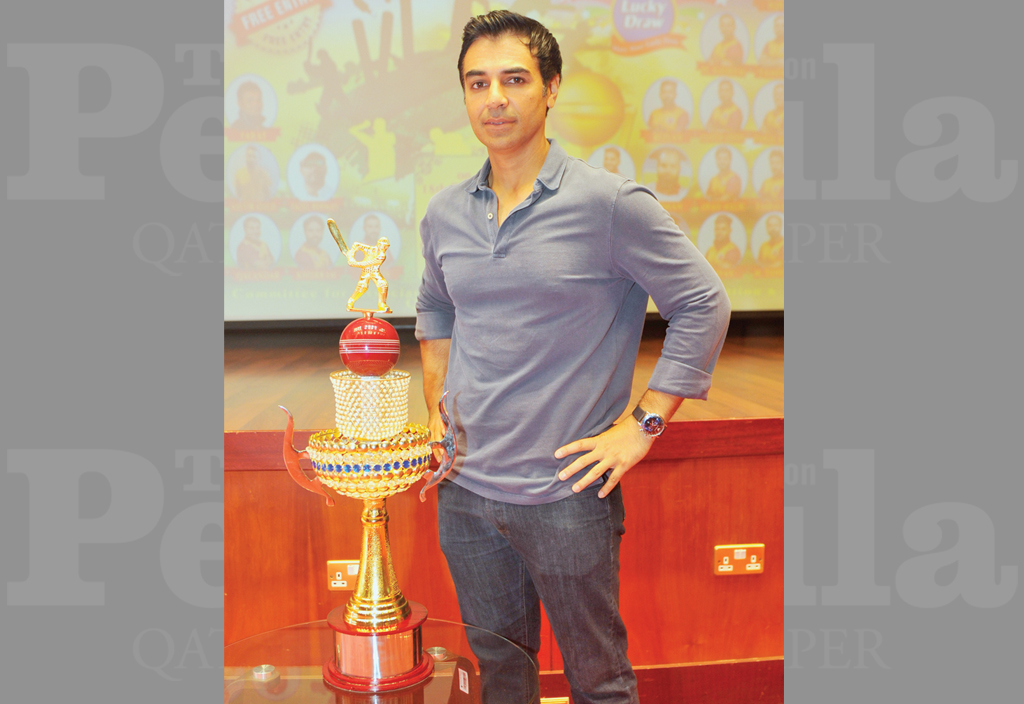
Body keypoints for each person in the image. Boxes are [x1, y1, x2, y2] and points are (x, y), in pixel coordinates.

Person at [415, 11, 730, 704]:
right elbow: (435, 304)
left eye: (514, 79)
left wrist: (642, 426)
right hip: (464, 493)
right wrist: (436, 396)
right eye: (477, 82)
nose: (493, 98)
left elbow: (704, 303)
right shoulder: (444, 214)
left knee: (600, 683)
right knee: (500, 675)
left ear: (551, 88)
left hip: (566, 495)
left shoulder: (610, 205)